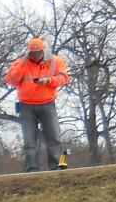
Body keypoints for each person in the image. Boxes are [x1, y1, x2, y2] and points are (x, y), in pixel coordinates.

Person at [6, 38, 70, 172]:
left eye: (37, 54)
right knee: (29, 141)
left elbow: (64, 78)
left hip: (48, 104)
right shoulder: (19, 63)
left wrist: (48, 81)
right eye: (32, 54)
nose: (35, 57)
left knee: (54, 138)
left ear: (43, 51)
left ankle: (56, 167)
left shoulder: (55, 61)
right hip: (26, 106)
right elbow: (12, 80)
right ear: (28, 52)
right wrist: (22, 65)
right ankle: (32, 170)